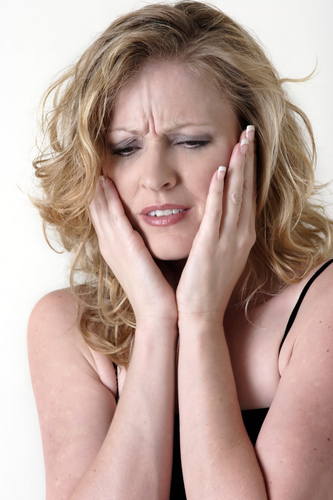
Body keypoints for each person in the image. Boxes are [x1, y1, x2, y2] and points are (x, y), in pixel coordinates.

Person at [27, 1, 333, 498]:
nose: (155, 177)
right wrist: (153, 321)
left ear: (253, 145)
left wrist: (200, 317)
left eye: (189, 141)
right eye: (125, 148)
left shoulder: (323, 309)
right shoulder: (66, 325)